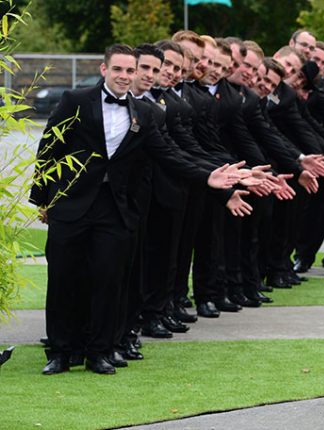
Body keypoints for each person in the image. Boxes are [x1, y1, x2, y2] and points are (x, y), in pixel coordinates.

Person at [31, 44, 243, 375]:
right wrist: (43, 200)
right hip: (70, 205)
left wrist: (209, 177)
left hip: (116, 210)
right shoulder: (75, 101)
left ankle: (99, 351)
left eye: (130, 71)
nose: (125, 76)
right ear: (104, 70)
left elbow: (170, 155)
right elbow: (48, 149)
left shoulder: (145, 114)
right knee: (63, 280)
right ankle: (61, 351)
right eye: (119, 70)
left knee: (109, 280)